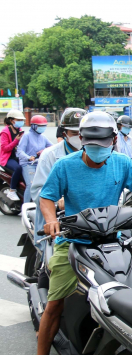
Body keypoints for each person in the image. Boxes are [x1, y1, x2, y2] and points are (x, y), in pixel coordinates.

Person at [25, 111, 132, 355]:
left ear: (113, 140)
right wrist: (50, 219)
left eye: (103, 142)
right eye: (91, 142)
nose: (98, 148)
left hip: (114, 239)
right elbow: (46, 197)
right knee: (55, 304)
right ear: (81, 141)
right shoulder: (65, 166)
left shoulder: (122, 162)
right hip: (74, 241)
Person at [31, 108, 85, 253]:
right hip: (58, 223)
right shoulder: (50, 156)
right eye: (74, 133)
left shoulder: (95, 153)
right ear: (64, 133)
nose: (79, 137)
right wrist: (59, 200)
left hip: (88, 221)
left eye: (82, 132)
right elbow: (38, 192)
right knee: (52, 266)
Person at [17, 115, 53, 203]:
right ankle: (25, 207)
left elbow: (52, 147)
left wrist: (43, 150)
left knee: (46, 183)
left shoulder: (43, 137)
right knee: (31, 185)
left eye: (44, 126)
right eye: (40, 126)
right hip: (28, 164)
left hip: (39, 163)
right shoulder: (26, 136)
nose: (42, 128)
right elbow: (20, 150)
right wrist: (28, 158)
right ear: (33, 126)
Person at [0, 109, 26, 201]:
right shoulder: (5, 132)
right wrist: (16, 141)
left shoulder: (20, 130)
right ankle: (12, 190)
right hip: (7, 158)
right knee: (18, 168)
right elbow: (5, 148)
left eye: (21, 120)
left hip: (17, 156)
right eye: (18, 120)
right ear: (11, 120)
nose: (20, 122)